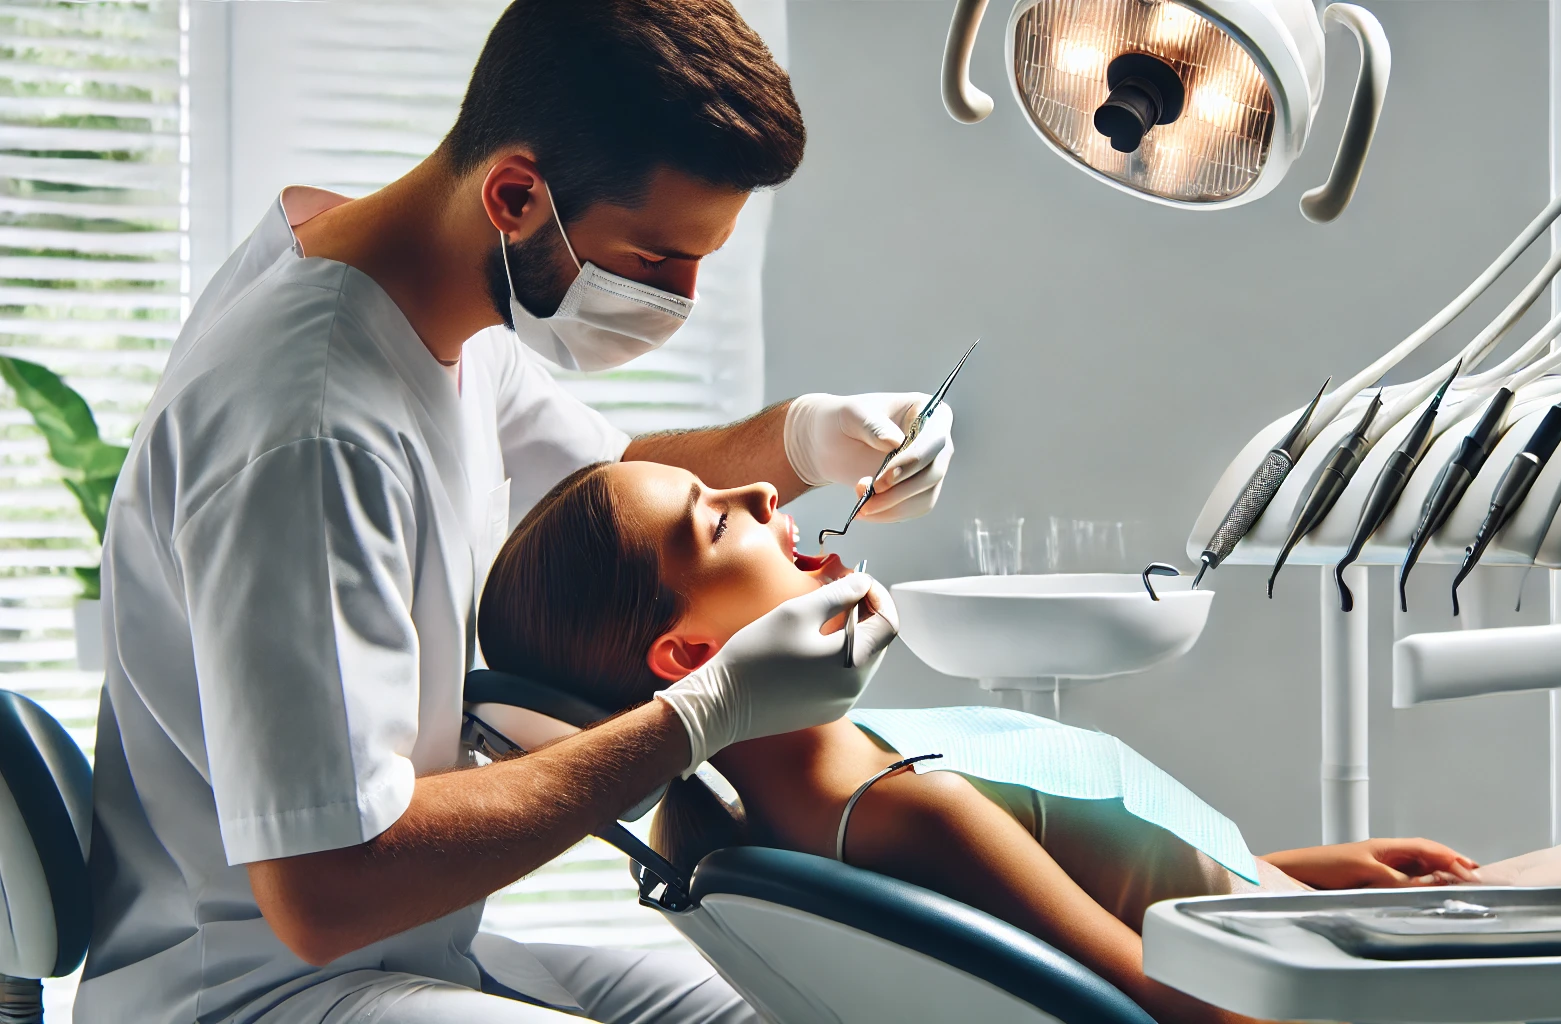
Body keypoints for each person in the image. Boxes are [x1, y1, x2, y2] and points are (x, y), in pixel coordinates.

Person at [75, 2, 951, 1022]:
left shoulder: (430, 296)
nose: (685, 296)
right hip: (258, 991)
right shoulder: (308, 428)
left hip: (420, 948)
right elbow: (324, 889)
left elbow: (616, 478)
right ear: (517, 196)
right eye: (660, 257)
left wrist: (806, 437)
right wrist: (702, 714)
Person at [477, 460, 1561, 1024]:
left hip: (1296, 927)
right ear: (693, 662)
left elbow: (1090, 883)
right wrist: (1421, 979)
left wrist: (1299, 873)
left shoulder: (802, 798)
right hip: (1325, 986)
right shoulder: (895, 810)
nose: (766, 490)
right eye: (719, 524)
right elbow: (1165, 997)